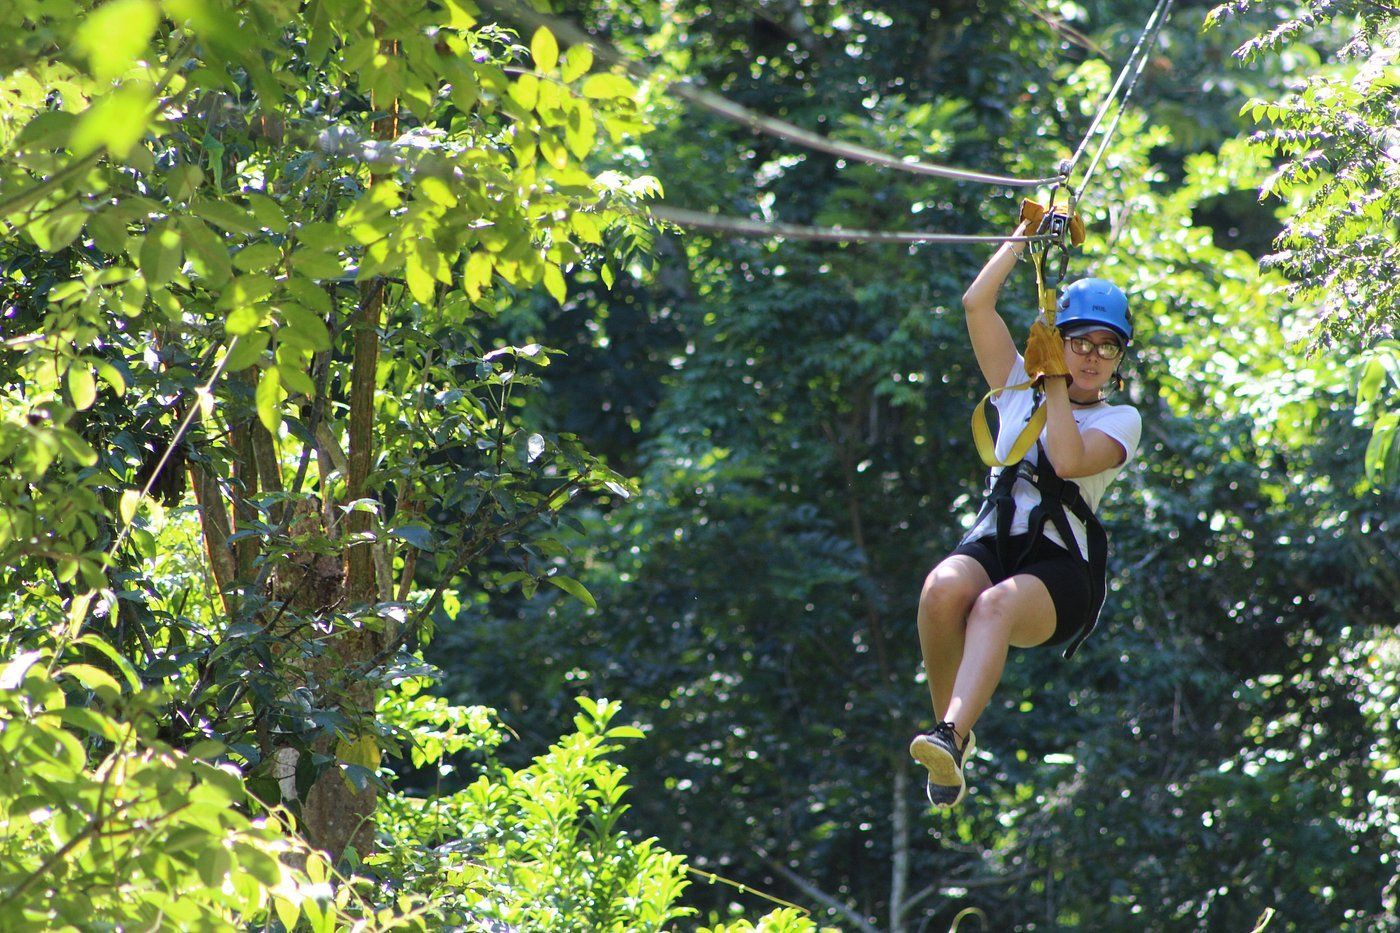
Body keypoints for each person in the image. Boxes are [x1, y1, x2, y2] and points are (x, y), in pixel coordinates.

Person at [908, 210, 1143, 809]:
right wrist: (1023, 237)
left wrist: (1054, 380)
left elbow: (1065, 459)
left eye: (1106, 347)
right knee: (941, 589)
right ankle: (950, 736)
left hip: (1061, 570)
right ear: (1059, 337)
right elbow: (976, 305)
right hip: (1000, 539)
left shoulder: (1121, 420)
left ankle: (952, 734)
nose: (1091, 356)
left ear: (1118, 361)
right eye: (1080, 342)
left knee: (994, 605)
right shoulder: (1017, 383)